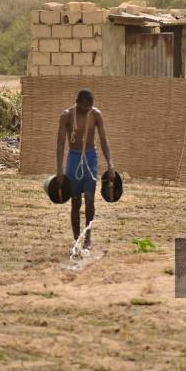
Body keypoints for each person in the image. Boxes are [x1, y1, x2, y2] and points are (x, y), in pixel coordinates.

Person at [56, 89, 115, 250]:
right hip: (74, 158)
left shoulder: (95, 115)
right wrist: (59, 170)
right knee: (75, 202)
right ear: (77, 101)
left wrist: (111, 165)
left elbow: (104, 140)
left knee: (89, 199)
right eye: (86, 105)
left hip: (90, 157)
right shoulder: (66, 116)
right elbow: (61, 143)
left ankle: (88, 238)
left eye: (91, 105)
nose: (89, 108)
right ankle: (76, 239)